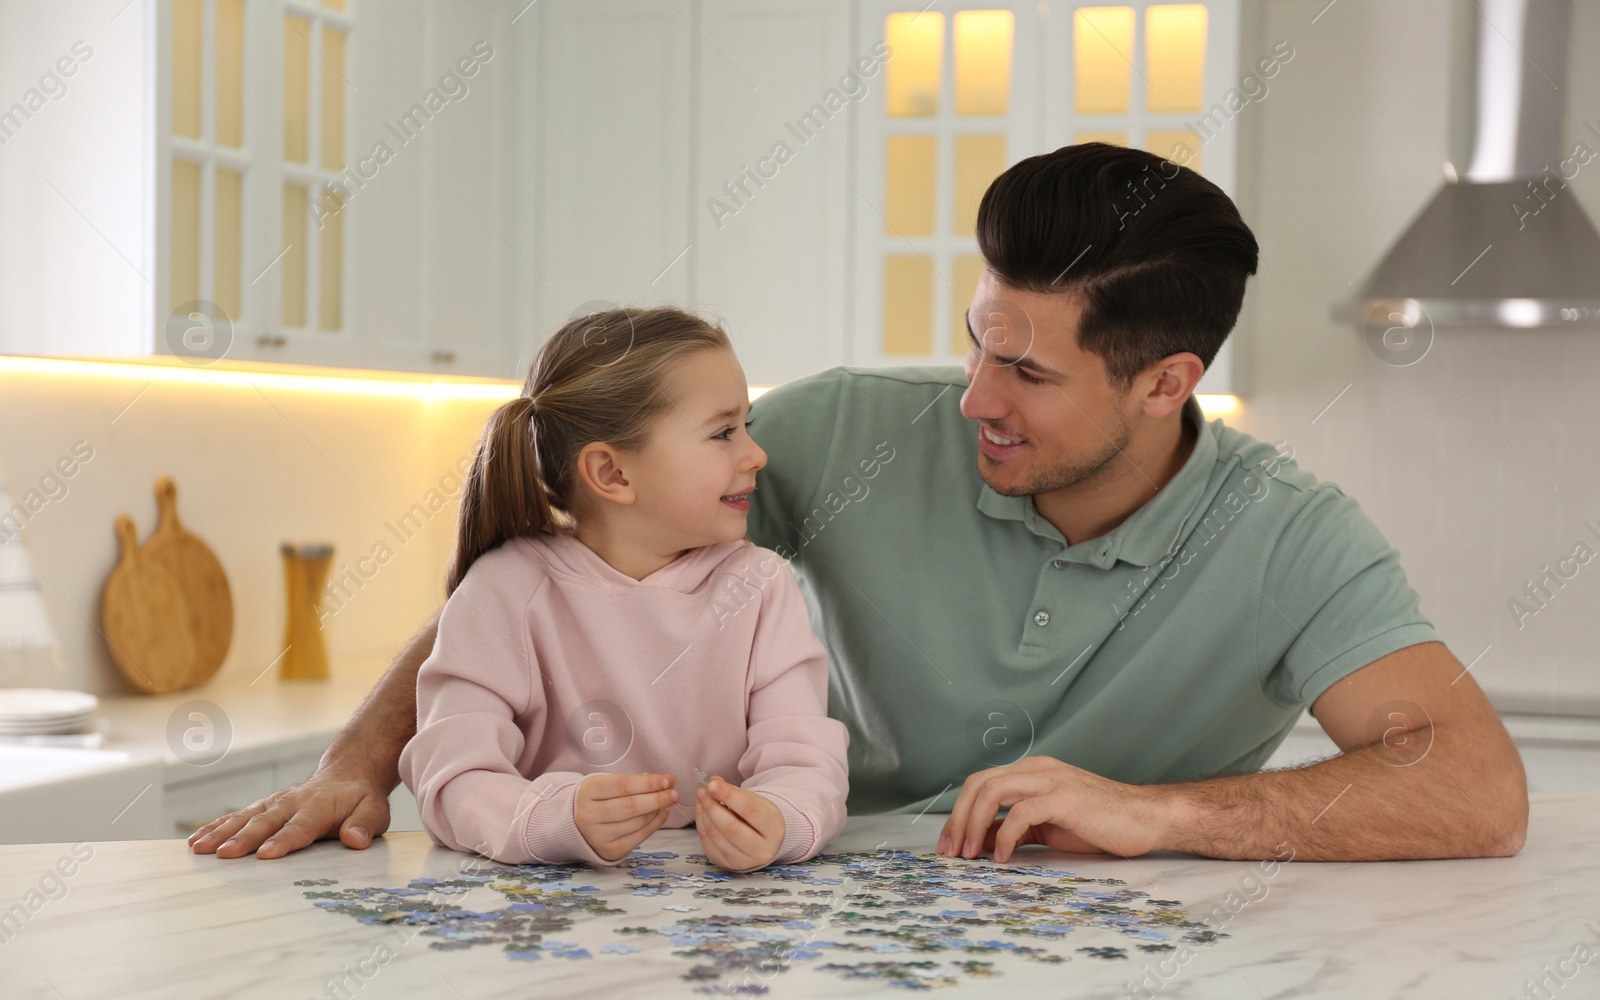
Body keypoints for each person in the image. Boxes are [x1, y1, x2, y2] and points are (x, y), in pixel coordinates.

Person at [189, 143, 1527, 865]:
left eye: (1029, 370)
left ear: (1166, 381)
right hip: (805, 905)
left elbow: (1475, 786)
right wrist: (364, 756)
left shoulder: (1290, 532)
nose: (973, 396)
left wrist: (1162, 810)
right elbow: (549, 572)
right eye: (975, 339)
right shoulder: (844, 425)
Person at [393, 307, 847, 871]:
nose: (756, 455)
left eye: (746, 427)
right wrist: (552, 818)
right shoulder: (505, 590)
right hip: (540, 918)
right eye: (724, 432)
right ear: (612, 474)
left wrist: (782, 818)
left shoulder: (761, 587)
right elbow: (452, 773)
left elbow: (806, 758)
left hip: (714, 918)